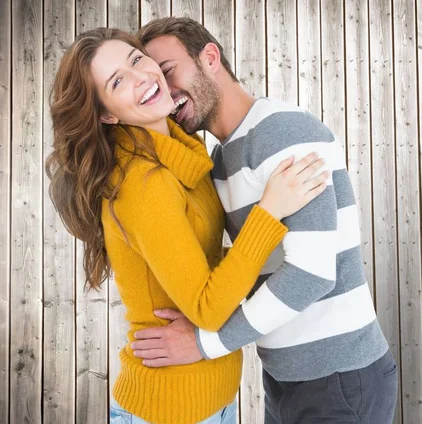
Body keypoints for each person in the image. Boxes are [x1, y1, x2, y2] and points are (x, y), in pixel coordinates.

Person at [46, 27, 329, 424]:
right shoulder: (145, 183)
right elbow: (207, 309)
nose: (141, 76)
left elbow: (205, 263)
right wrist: (269, 212)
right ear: (107, 113)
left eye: (136, 60)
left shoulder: (181, 158)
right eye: (117, 81)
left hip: (208, 400)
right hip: (169, 408)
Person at [133, 17, 399, 423]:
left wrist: (205, 343)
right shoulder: (222, 161)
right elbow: (252, 259)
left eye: (168, 71)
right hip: (285, 378)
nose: (166, 95)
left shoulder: (280, 131)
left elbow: (312, 274)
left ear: (209, 57)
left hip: (341, 379)